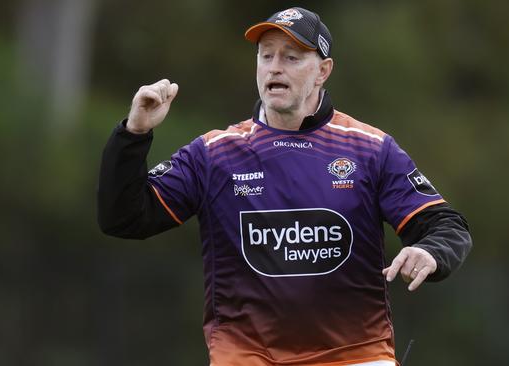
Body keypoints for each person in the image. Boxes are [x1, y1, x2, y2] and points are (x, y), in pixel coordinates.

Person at [98, 7, 471, 366]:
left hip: (357, 354)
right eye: (266, 56)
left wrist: (430, 252)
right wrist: (134, 132)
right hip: (246, 358)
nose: (275, 67)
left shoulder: (370, 149)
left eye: (292, 57)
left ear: (323, 71)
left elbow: (444, 224)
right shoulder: (215, 154)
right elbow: (125, 218)